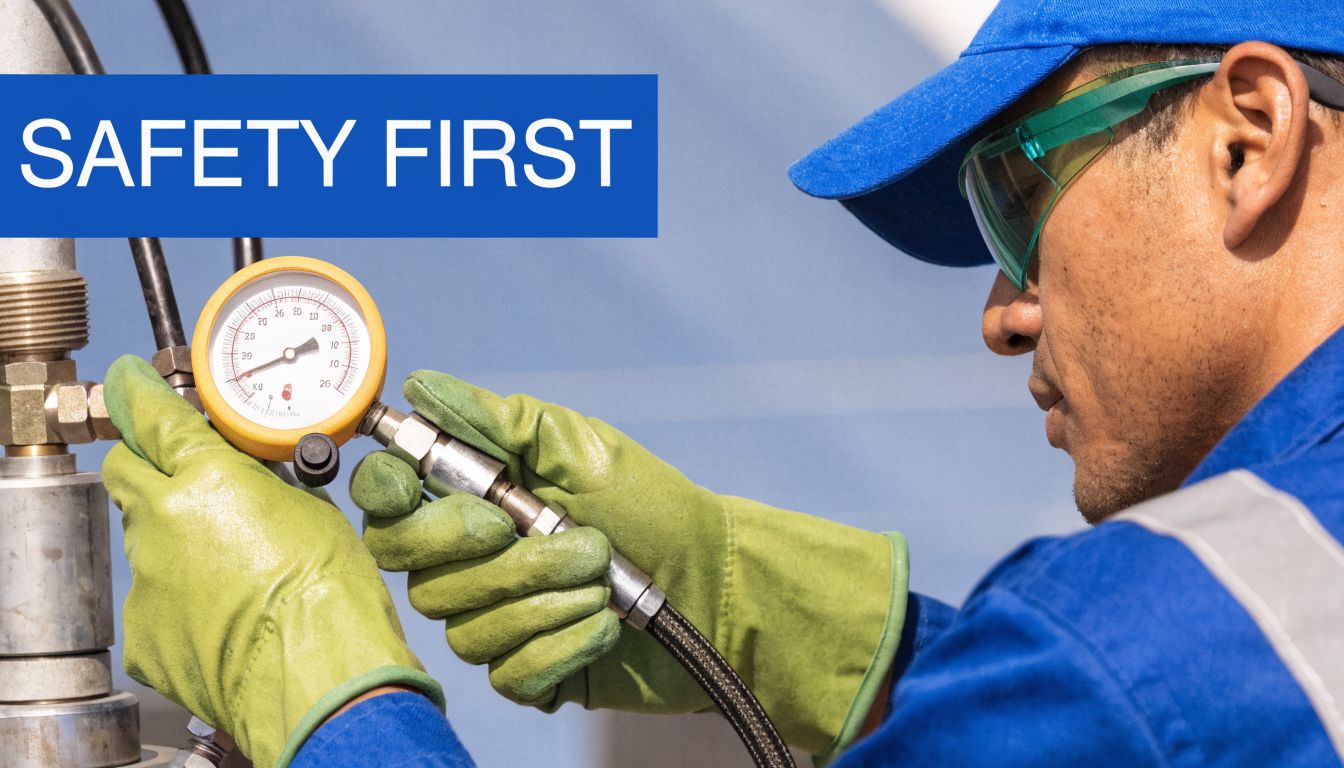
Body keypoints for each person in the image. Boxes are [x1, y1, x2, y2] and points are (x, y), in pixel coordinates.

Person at [102, 0, 1344, 765]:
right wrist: (810, 630)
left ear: (1248, 136)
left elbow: (1144, 693)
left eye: (1016, 199)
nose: (1005, 314)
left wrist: (331, 705)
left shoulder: (1165, 637)